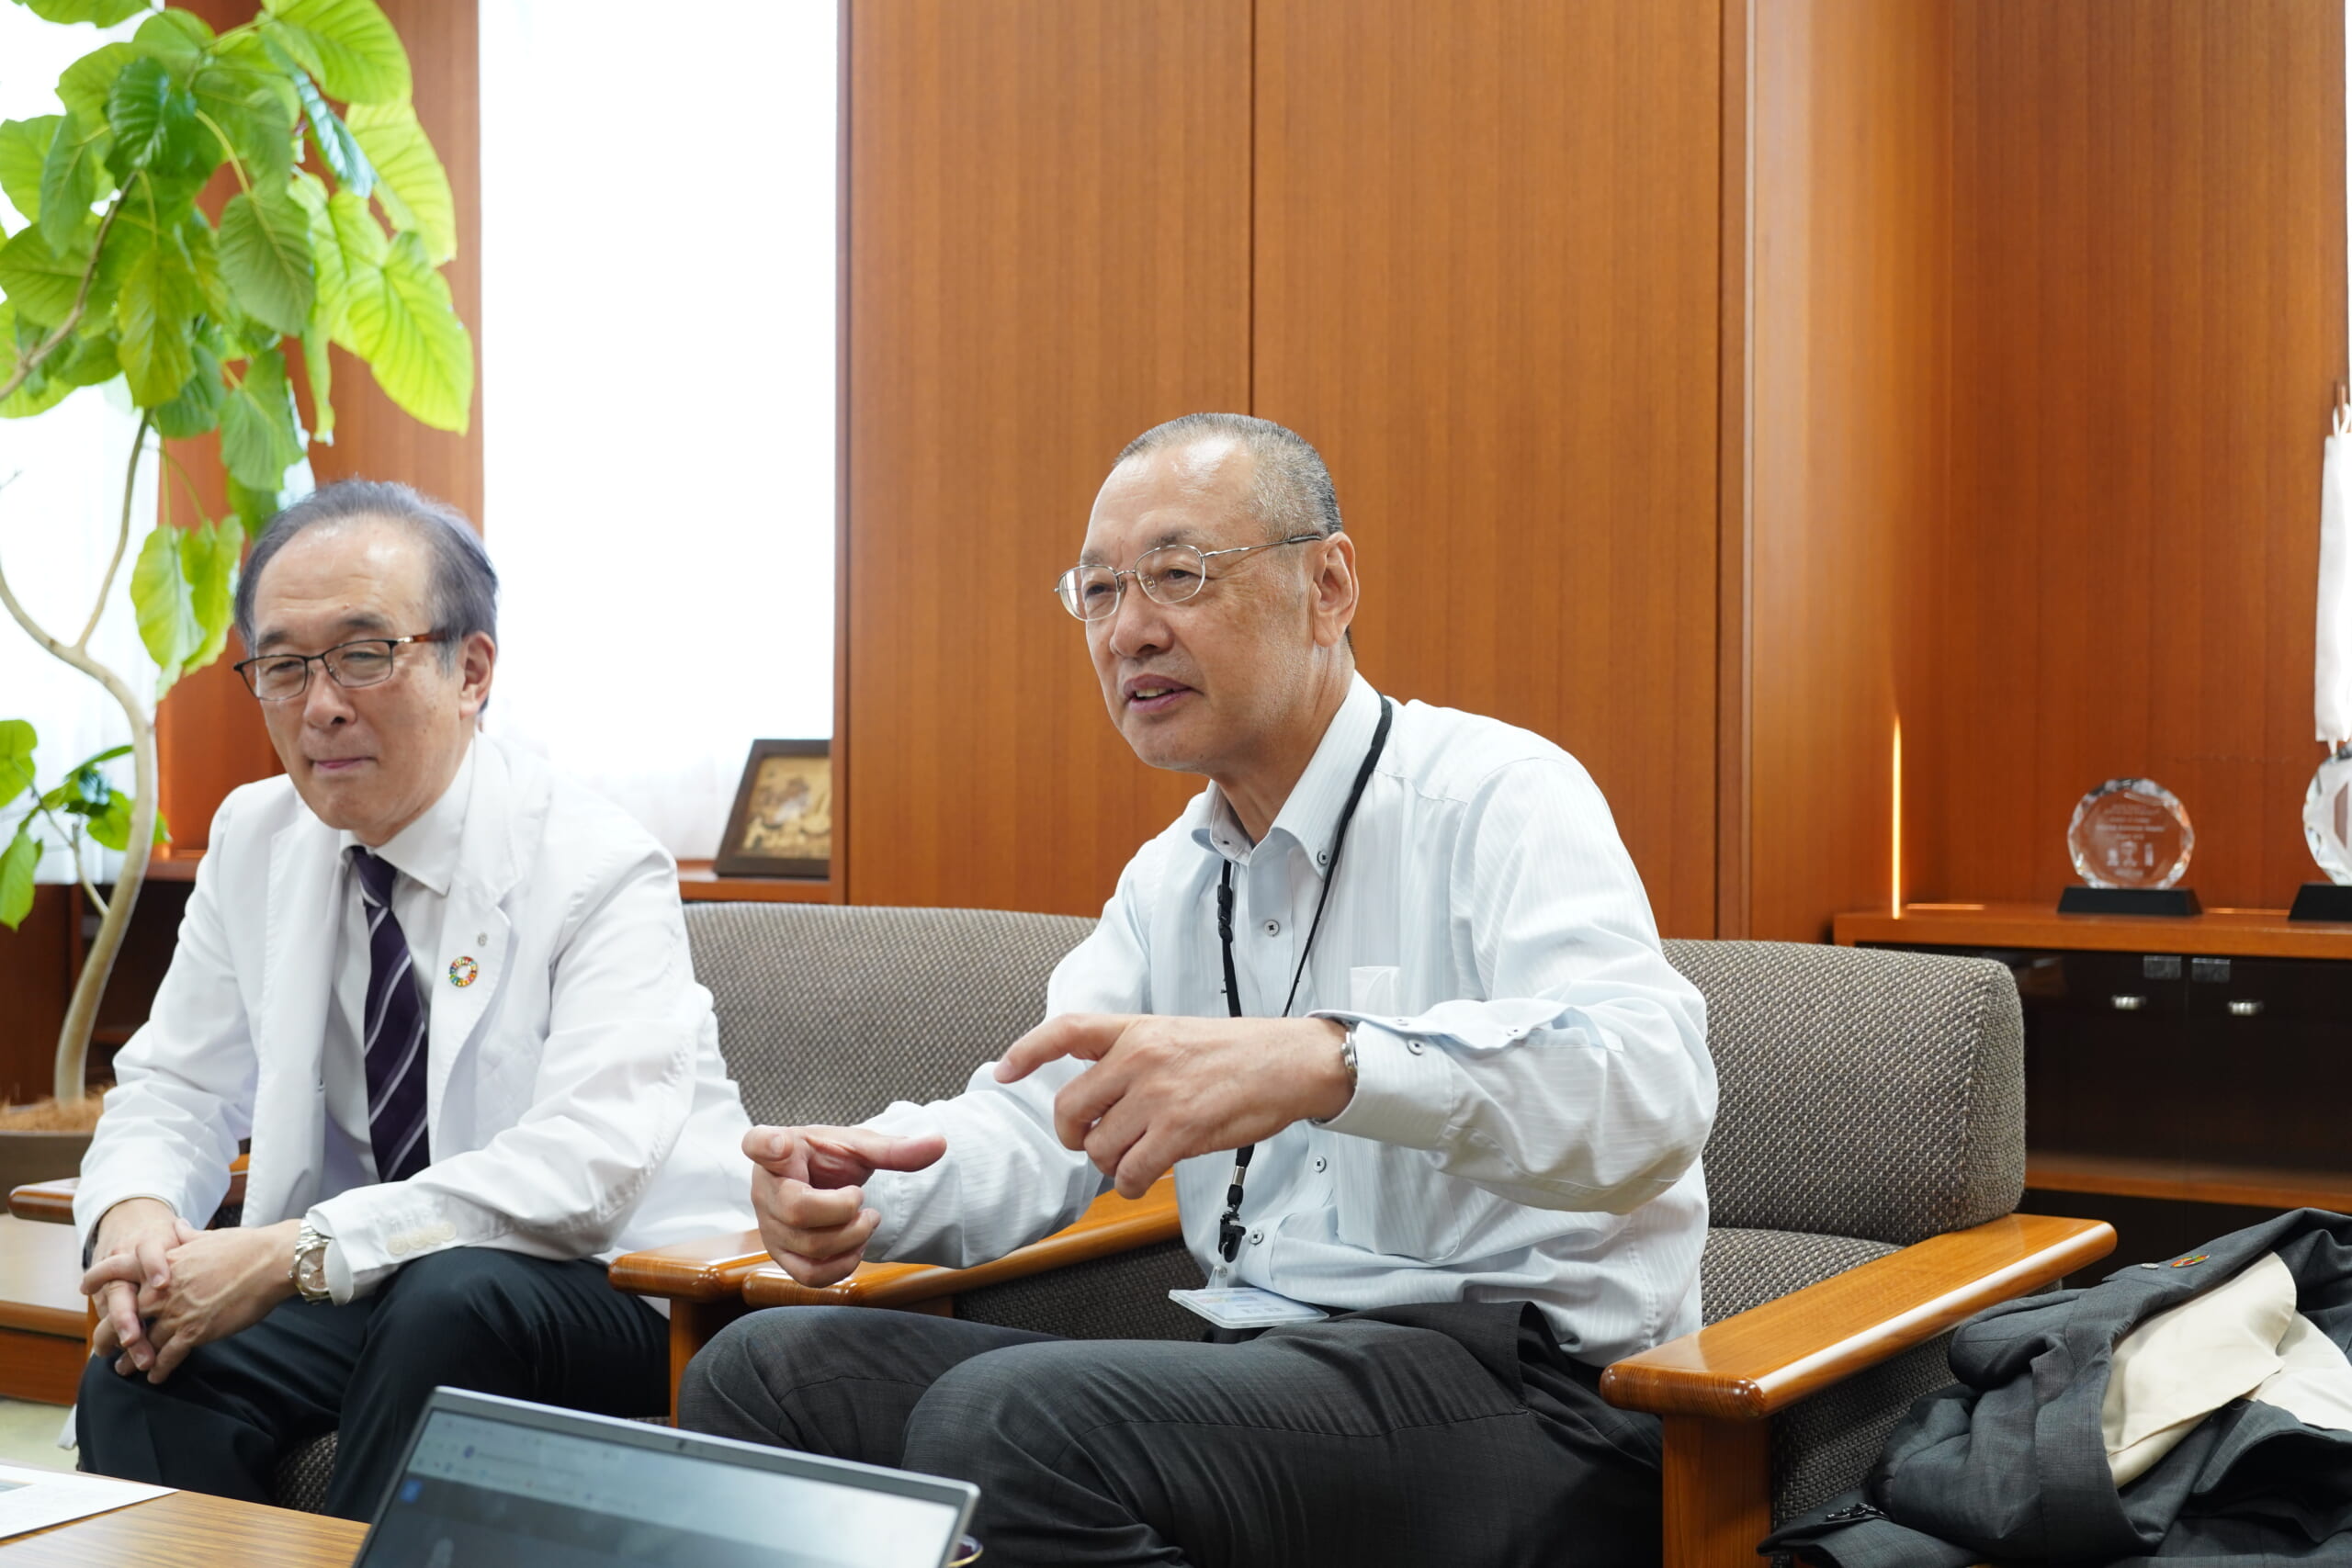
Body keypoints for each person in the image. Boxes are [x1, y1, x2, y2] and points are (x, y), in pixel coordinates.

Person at [679, 413, 1715, 1566]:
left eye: (1177, 575)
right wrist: (866, 1185)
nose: (1128, 631)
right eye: (1098, 591)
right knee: (770, 1373)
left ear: (1328, 587)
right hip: (1262, 1376)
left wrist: (1330, 1062)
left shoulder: (1496, 797)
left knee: (1011, 1422)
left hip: (1529, 1397)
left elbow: (1649, 1091)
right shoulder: (1172, 876)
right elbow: (1047, 1113)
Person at [74, 479, 754, 1518]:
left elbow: (588, 1164)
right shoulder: (256, 836)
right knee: (149, 1357)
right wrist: (137, 1218)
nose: (321, 705)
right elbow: (178, 1087)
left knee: (453, 1298)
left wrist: (296, 1251)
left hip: (623, 1285)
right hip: (371, 1279)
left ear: (470, 670)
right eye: (285, 667)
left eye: (362, 654)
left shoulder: (598, 863)